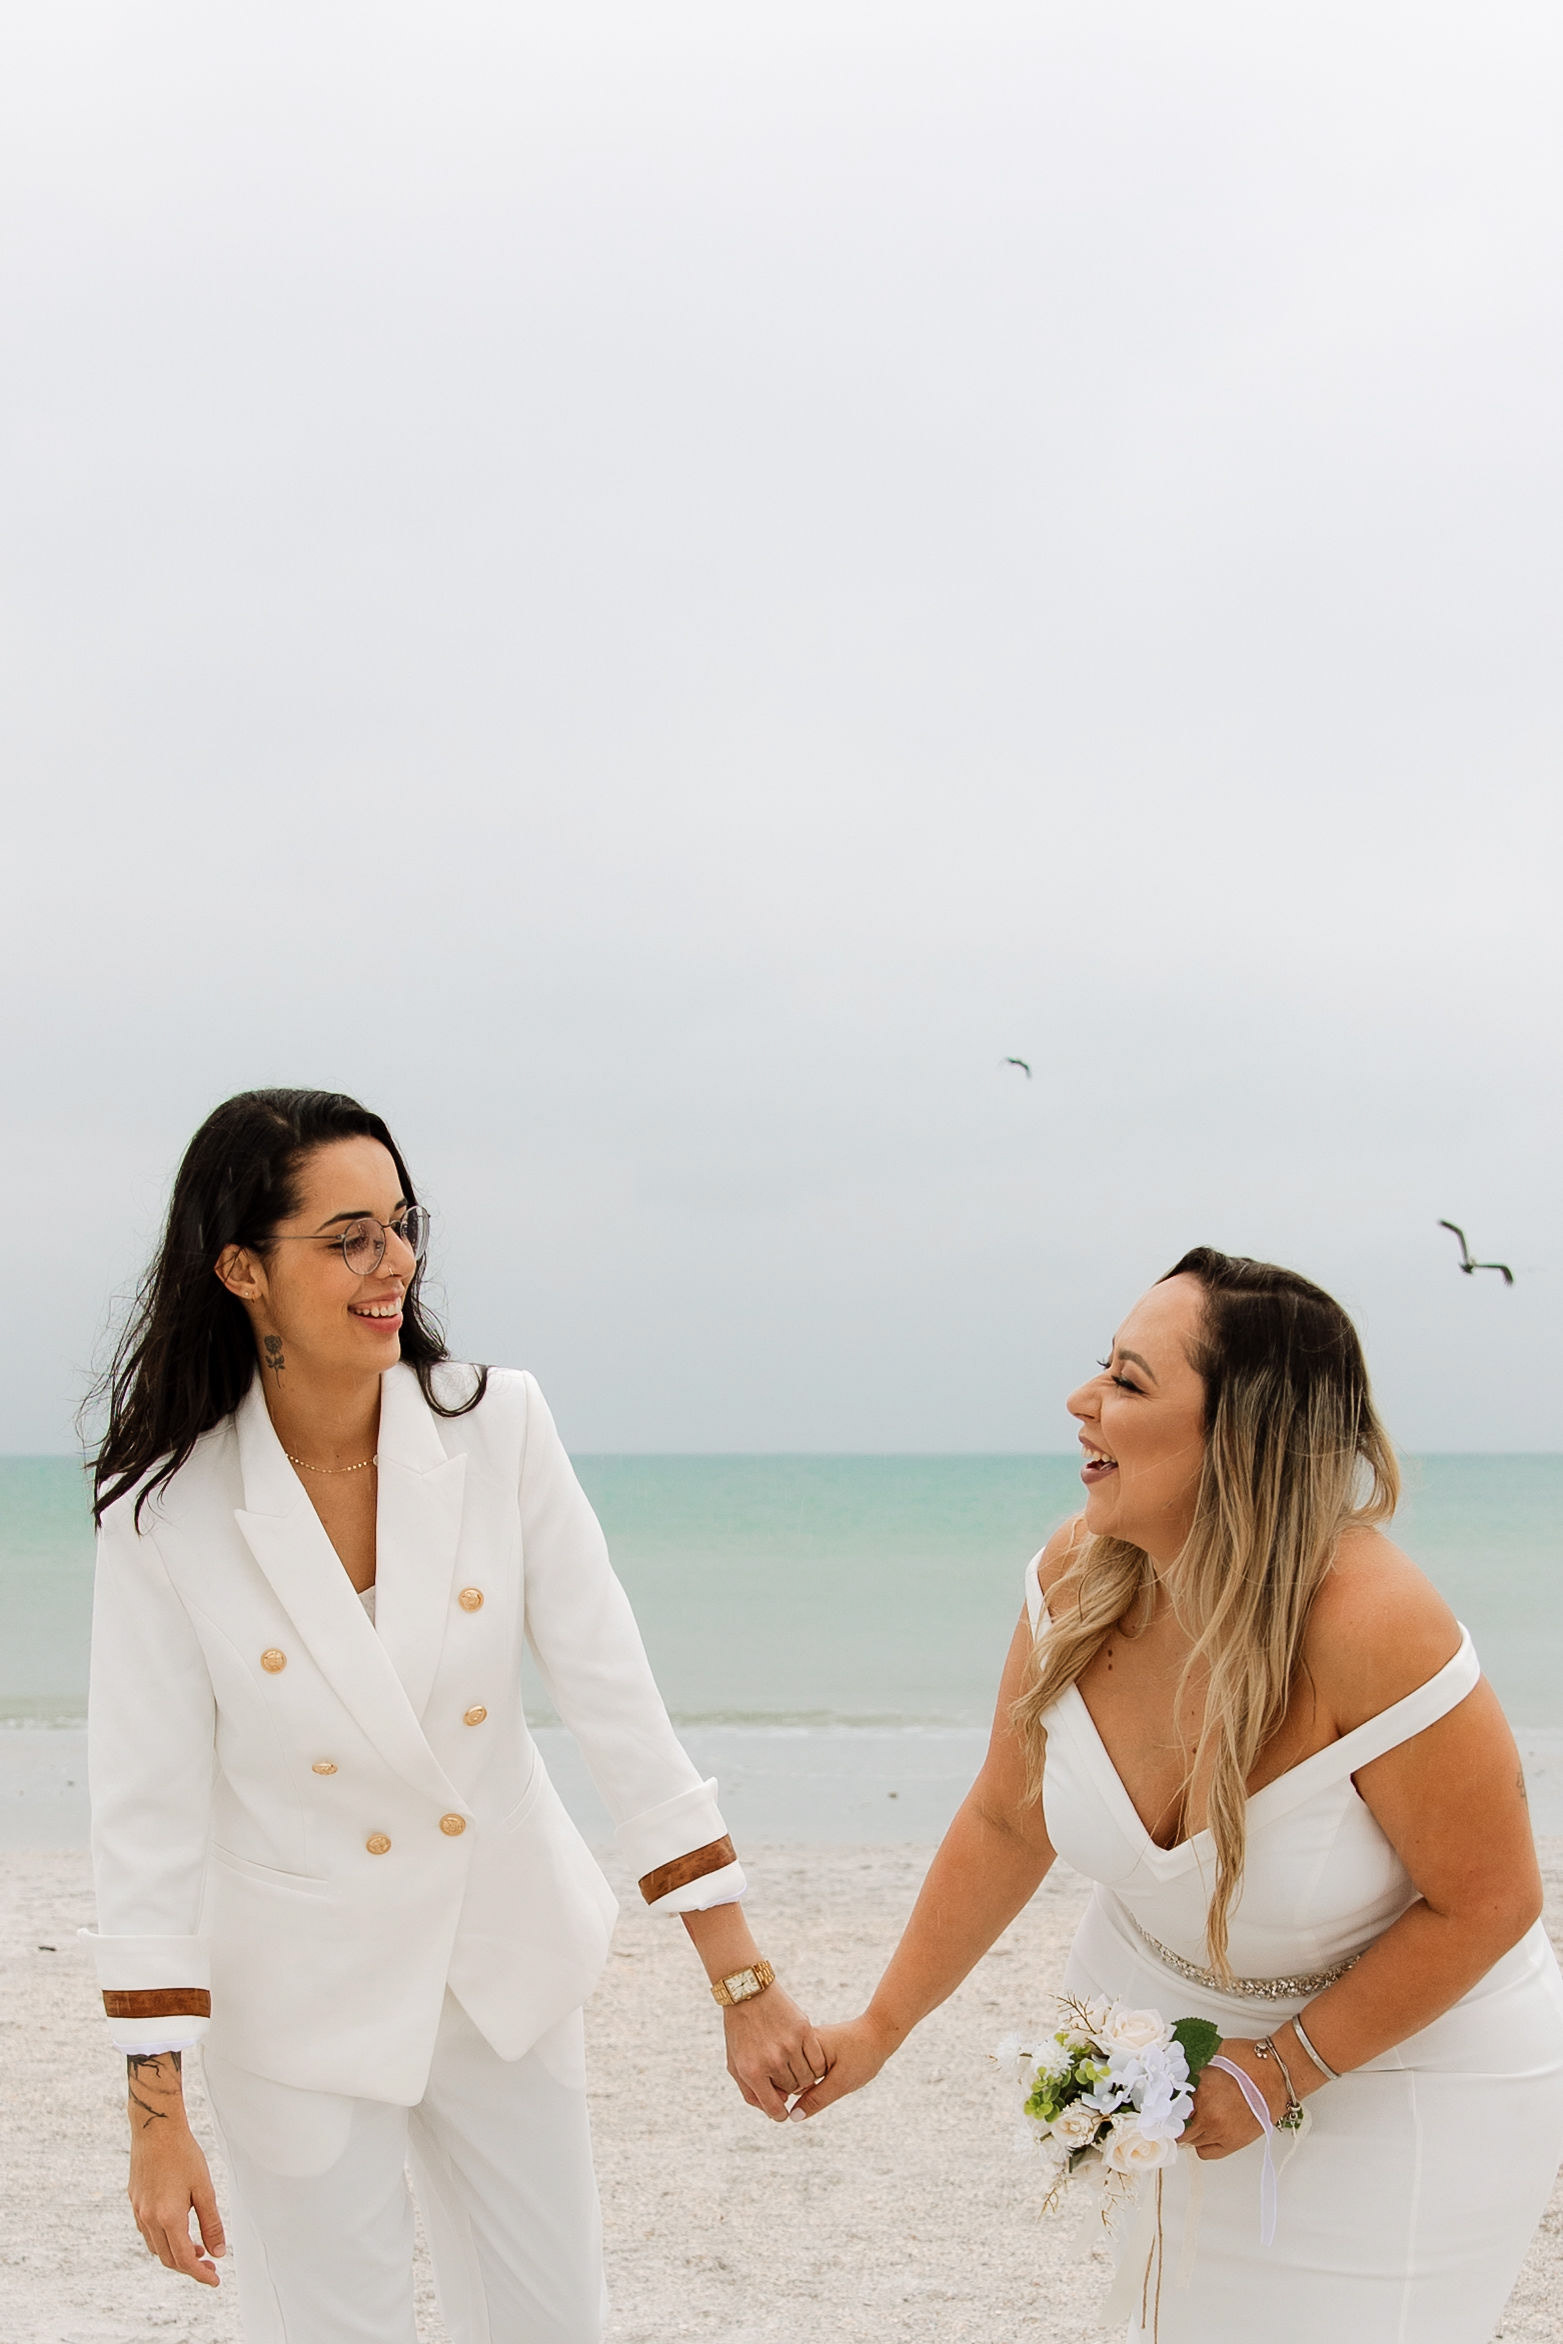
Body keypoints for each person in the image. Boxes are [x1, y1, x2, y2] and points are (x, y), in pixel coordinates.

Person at [83, 1087, 823, 2344]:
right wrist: (157, 2121)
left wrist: (739, 1977)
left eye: (403, 1224)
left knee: (553, 2323)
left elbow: (616, 1699)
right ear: (243, 1269)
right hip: (299, 1996)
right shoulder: (164, 1511)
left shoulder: (497, 1425)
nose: (396, 1263)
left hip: (503, 1962)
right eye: (350, 1237)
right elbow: (143, 1815)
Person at [790, 1248, 1563, 2340]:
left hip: (1410, 2066)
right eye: (1101, 1367)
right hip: (1175, 2053)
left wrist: (1278, 2070)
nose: (1081, 1401)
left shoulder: (1372, 1624)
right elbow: (1007, 1819)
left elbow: (1490, 1901)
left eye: (1128, 1381)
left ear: (1240, 1434)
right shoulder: (1076, 1578)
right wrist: (880, 2026)